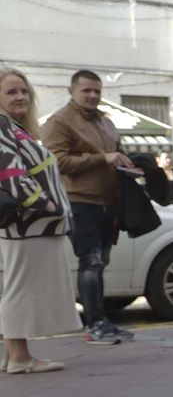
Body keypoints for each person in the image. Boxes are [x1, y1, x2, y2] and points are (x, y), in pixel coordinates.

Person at [41, 69, 134, 346]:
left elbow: (112, 154)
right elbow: (55, 162)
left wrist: (127, 164)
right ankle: (93, 324)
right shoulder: (59, 122)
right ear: (72, 91)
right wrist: (102, 158)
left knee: (100, 262)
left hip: (107, 202)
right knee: (90, 262)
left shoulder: (105, 121)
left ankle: (102, 321)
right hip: (80, 201)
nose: (93, 95)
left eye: (97, 91)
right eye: (86, 91)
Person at [0, 70, 76, 374]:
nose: (20, 97)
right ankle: (20, 358)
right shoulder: (4, 127)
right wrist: (47, 206)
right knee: (19, 291)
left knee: (16, 289)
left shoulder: (15, 128)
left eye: (24, 91)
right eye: (11, 92)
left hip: (28, 226)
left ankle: (13, 356)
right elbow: (10, 173)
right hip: (29, 225)